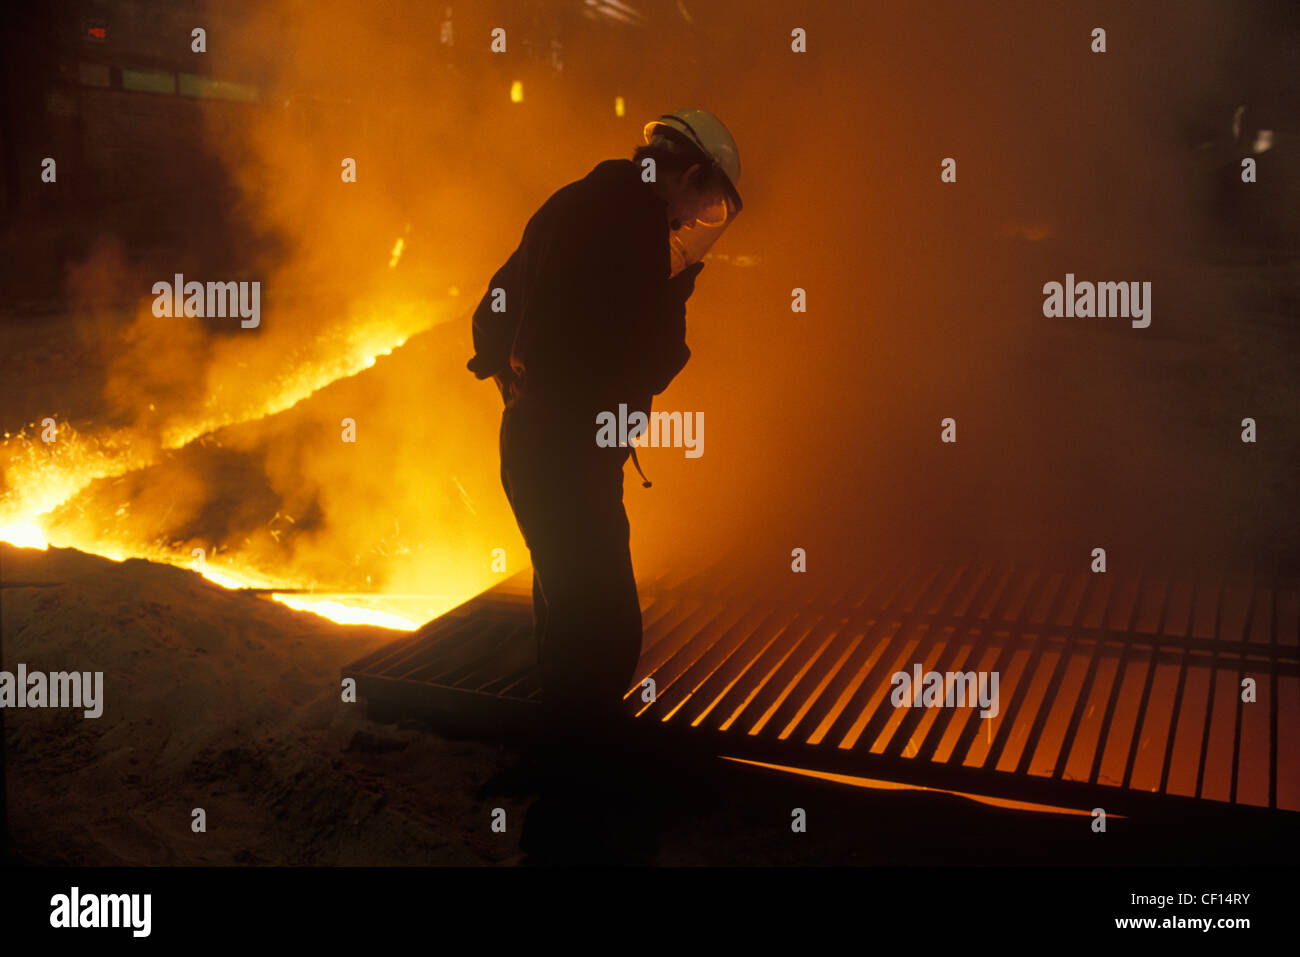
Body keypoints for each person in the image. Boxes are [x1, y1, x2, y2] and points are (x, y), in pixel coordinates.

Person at [467, 108, 743, 861]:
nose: (698, 218)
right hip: (572, 450)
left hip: (533, 444)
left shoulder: (572, 201)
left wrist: (512, 389)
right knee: (605, 624)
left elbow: (492, 308)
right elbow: (655, 358)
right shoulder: (636, 232)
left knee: (564, 608)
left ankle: (557, 761)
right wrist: (681, 280)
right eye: (705, 201)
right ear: (688, 176)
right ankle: (568, 827)